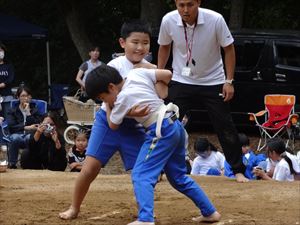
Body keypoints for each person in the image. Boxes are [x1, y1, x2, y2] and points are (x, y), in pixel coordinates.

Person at [86, 63, 221, 225]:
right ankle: (210, 212)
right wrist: (159, 91)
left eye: (102, 97)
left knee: (140, 174)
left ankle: (145, 219)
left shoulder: (121, 99)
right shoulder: (137, 73)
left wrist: (108, 106)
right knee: (178, 177)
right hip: (175, 126)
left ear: (111, 87)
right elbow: (167, 74)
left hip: (160, 131)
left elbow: (112, 124)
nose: (104, 101)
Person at [59, 19, 154, 220]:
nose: (140, 47)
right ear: (122, 43)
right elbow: (108, 103)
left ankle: (145, 215)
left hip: (133, 126)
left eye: (145, 43)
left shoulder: (151, 67)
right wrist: (125, 114)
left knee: (144, 172)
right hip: (107, 121)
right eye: (135, 42)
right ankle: (74, 207)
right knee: (90, 167)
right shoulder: (115, 65)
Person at [157, 0, 248, 182]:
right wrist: (158, 75)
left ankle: (238, 170)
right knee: (166, 123)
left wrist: (228, 81)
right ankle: (158, 169)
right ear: (176, 3)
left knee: (225, 125)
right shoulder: (168, 20)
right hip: (181, 79)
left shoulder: (215, 19)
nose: (185, 10)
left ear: (198, 2)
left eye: (190, 5)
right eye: (181, 5)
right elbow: (164, 47)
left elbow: (229, 49)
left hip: (212, 80)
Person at [6, 86, 42, 169]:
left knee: (31, 138)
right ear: (18, 97)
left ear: (30, 97)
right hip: (17, 135)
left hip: (30, 136)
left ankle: (31, 164)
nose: (25, 98)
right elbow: (11, 127)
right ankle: (12, 164)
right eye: (22, 96)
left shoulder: (35, 109)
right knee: (15, 138)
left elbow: (37, 125)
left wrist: (28, 112)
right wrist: (27, 127)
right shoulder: (12, 110)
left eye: (27, 96)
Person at [0, 43, 15, 119]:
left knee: (9, 118)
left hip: (7, 96)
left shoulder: (9, 66)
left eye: (1, 50)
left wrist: (4, 84)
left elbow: (11, 78)